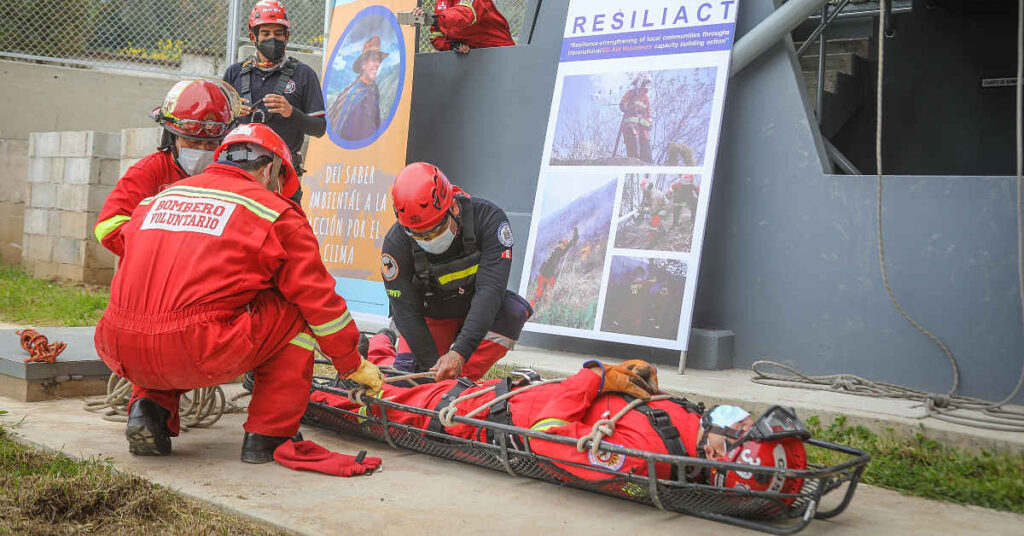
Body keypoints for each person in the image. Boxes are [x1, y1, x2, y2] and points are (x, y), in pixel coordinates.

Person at [93, 124, 382, 463]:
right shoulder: (277, 213)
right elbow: (319, 301)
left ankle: (147, 411)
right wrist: (349, 361)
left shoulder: (162, 197)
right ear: (270, 169)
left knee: (163, 311)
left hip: (119, 346)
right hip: (198, 348)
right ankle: (269, 434)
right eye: (279, 181)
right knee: (294, 308)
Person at [310, 358, 808, 490]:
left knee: (378, 400)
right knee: (391, 377)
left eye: (738, 424)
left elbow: (547, 436)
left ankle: (295, 391)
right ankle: (377, 353)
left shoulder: (636, 461)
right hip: (509, 393)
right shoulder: (688, 428)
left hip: (479, 414)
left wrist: (594, 378)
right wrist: (624, 376)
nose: (734, 415)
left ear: (722, 455)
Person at [367, 162, 532, 381]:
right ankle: (379, 343)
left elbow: (490, 292)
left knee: (512, 312)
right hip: (431, 317)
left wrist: (458, 355)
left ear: (453, 208)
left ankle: (461, 382)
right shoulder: (396, 243)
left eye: (435, 230)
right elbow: (405, 312)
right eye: (419, 235)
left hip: (475, 312)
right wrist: (431, 369)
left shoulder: (489, 220)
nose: (429, 239)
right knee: (407, 383)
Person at [95, 79, 241, 257]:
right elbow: (108, 227)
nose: (203, 150)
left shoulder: (231, 178)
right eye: (193, 142)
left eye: (211, 144)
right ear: (172, 138)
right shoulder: (149, 171)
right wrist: (161, 248)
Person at [223, 0, 326, 201]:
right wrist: (231, 114)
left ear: (287, 37)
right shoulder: (234, 74)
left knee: (283, 230)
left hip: (283, 176)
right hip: (237, 173)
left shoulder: (304, 75)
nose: (273, 39)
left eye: (278, 33)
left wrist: (291, 112)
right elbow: (216, 126)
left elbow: (319, 128)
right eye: (266, 33)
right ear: (253, 36)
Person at [327, 36, 387, 142]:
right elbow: (340, 128)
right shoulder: (352, 95)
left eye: (378, 61)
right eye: (373, 60)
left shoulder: (373, 91)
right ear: (363, 64)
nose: (377, 65)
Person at [530, 226, 578, 307]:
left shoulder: (559, 251)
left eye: (564, 245)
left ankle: (542, 303)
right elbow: (570, 244)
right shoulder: (557, 251)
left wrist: (575, 233)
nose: (562, 245)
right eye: (562, 244)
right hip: (545, 275)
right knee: (541, 291)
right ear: (560, 244)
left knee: (548, 289)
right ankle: (533, 305)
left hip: (548, 274)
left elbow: (571, 243)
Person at [620, 75, 652, 163]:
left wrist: (648, 123)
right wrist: (628, 107)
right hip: (631, 125)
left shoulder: (646, 98)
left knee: (646, 147)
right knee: (634, 149)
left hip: (643, 127)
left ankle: (647, 163)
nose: (646, 86)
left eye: (647, 84)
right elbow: (622, 105)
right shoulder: (630, 94)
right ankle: (634, 161)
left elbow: (648, 114)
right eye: (645, 83)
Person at [639, 179, 669, 247]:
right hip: (657, 207)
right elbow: (647, 202)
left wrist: (643, 210)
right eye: (642, 188)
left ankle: (652, 242)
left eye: (643, 188)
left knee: (654, 221)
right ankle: (663, 232)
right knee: (655, 218)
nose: (643, 190)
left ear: (648, 186)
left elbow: (653, 210)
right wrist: (642, 206)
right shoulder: (647, 192)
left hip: (664, 209)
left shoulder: (655, 196)